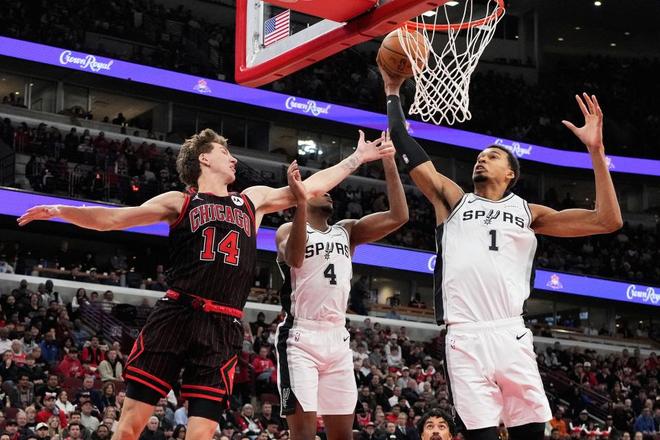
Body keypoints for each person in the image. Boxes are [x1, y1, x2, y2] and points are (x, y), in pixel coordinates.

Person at [18, 128, 392, 440]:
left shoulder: (252, 201)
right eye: (224, 152)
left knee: (202, 433)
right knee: (131, 424)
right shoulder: (181, 201)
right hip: (177, 315)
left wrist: (356, 159)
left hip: (223, 326)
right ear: (204, 159)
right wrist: (63, 211)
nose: (233, 159)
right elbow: (114, 219)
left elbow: (308, 188)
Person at [379, 63, 622, 440]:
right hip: (464, 336)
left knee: (530, 434)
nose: (482, 158)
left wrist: (596, 151)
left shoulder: (529, 212)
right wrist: (393, 91)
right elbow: (404, 144)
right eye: (480, 155)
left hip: (510, 332)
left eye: (492, 156)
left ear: (510, 174)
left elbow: (607, 220)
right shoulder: (453, 201)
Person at [274, 130, 406, 440]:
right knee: (303, 435)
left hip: (337, 337)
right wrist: (300, 203)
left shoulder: (346, 231)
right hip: (300, 337)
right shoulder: (285, 230)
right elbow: (295, 258)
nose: (330, 192)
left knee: (343, 436)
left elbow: (399, 216)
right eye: (322, 189)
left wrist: (389, 161)